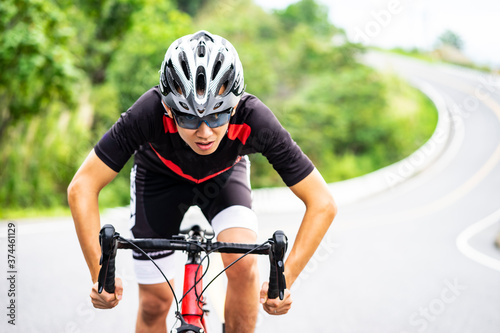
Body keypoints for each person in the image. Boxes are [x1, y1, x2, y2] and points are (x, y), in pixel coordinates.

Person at [68, 30, 337, 333]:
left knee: (243, 265)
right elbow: (82, 187)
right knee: (155, 303)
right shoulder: (148, 113)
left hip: (223, 178)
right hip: (158, 180)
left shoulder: (255, 119)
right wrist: (100, 275)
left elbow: (322, 203)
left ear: (234, 107)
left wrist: (283, 281)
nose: (205, 132)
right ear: (168, 109)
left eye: (217, 116)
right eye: (189, 119)